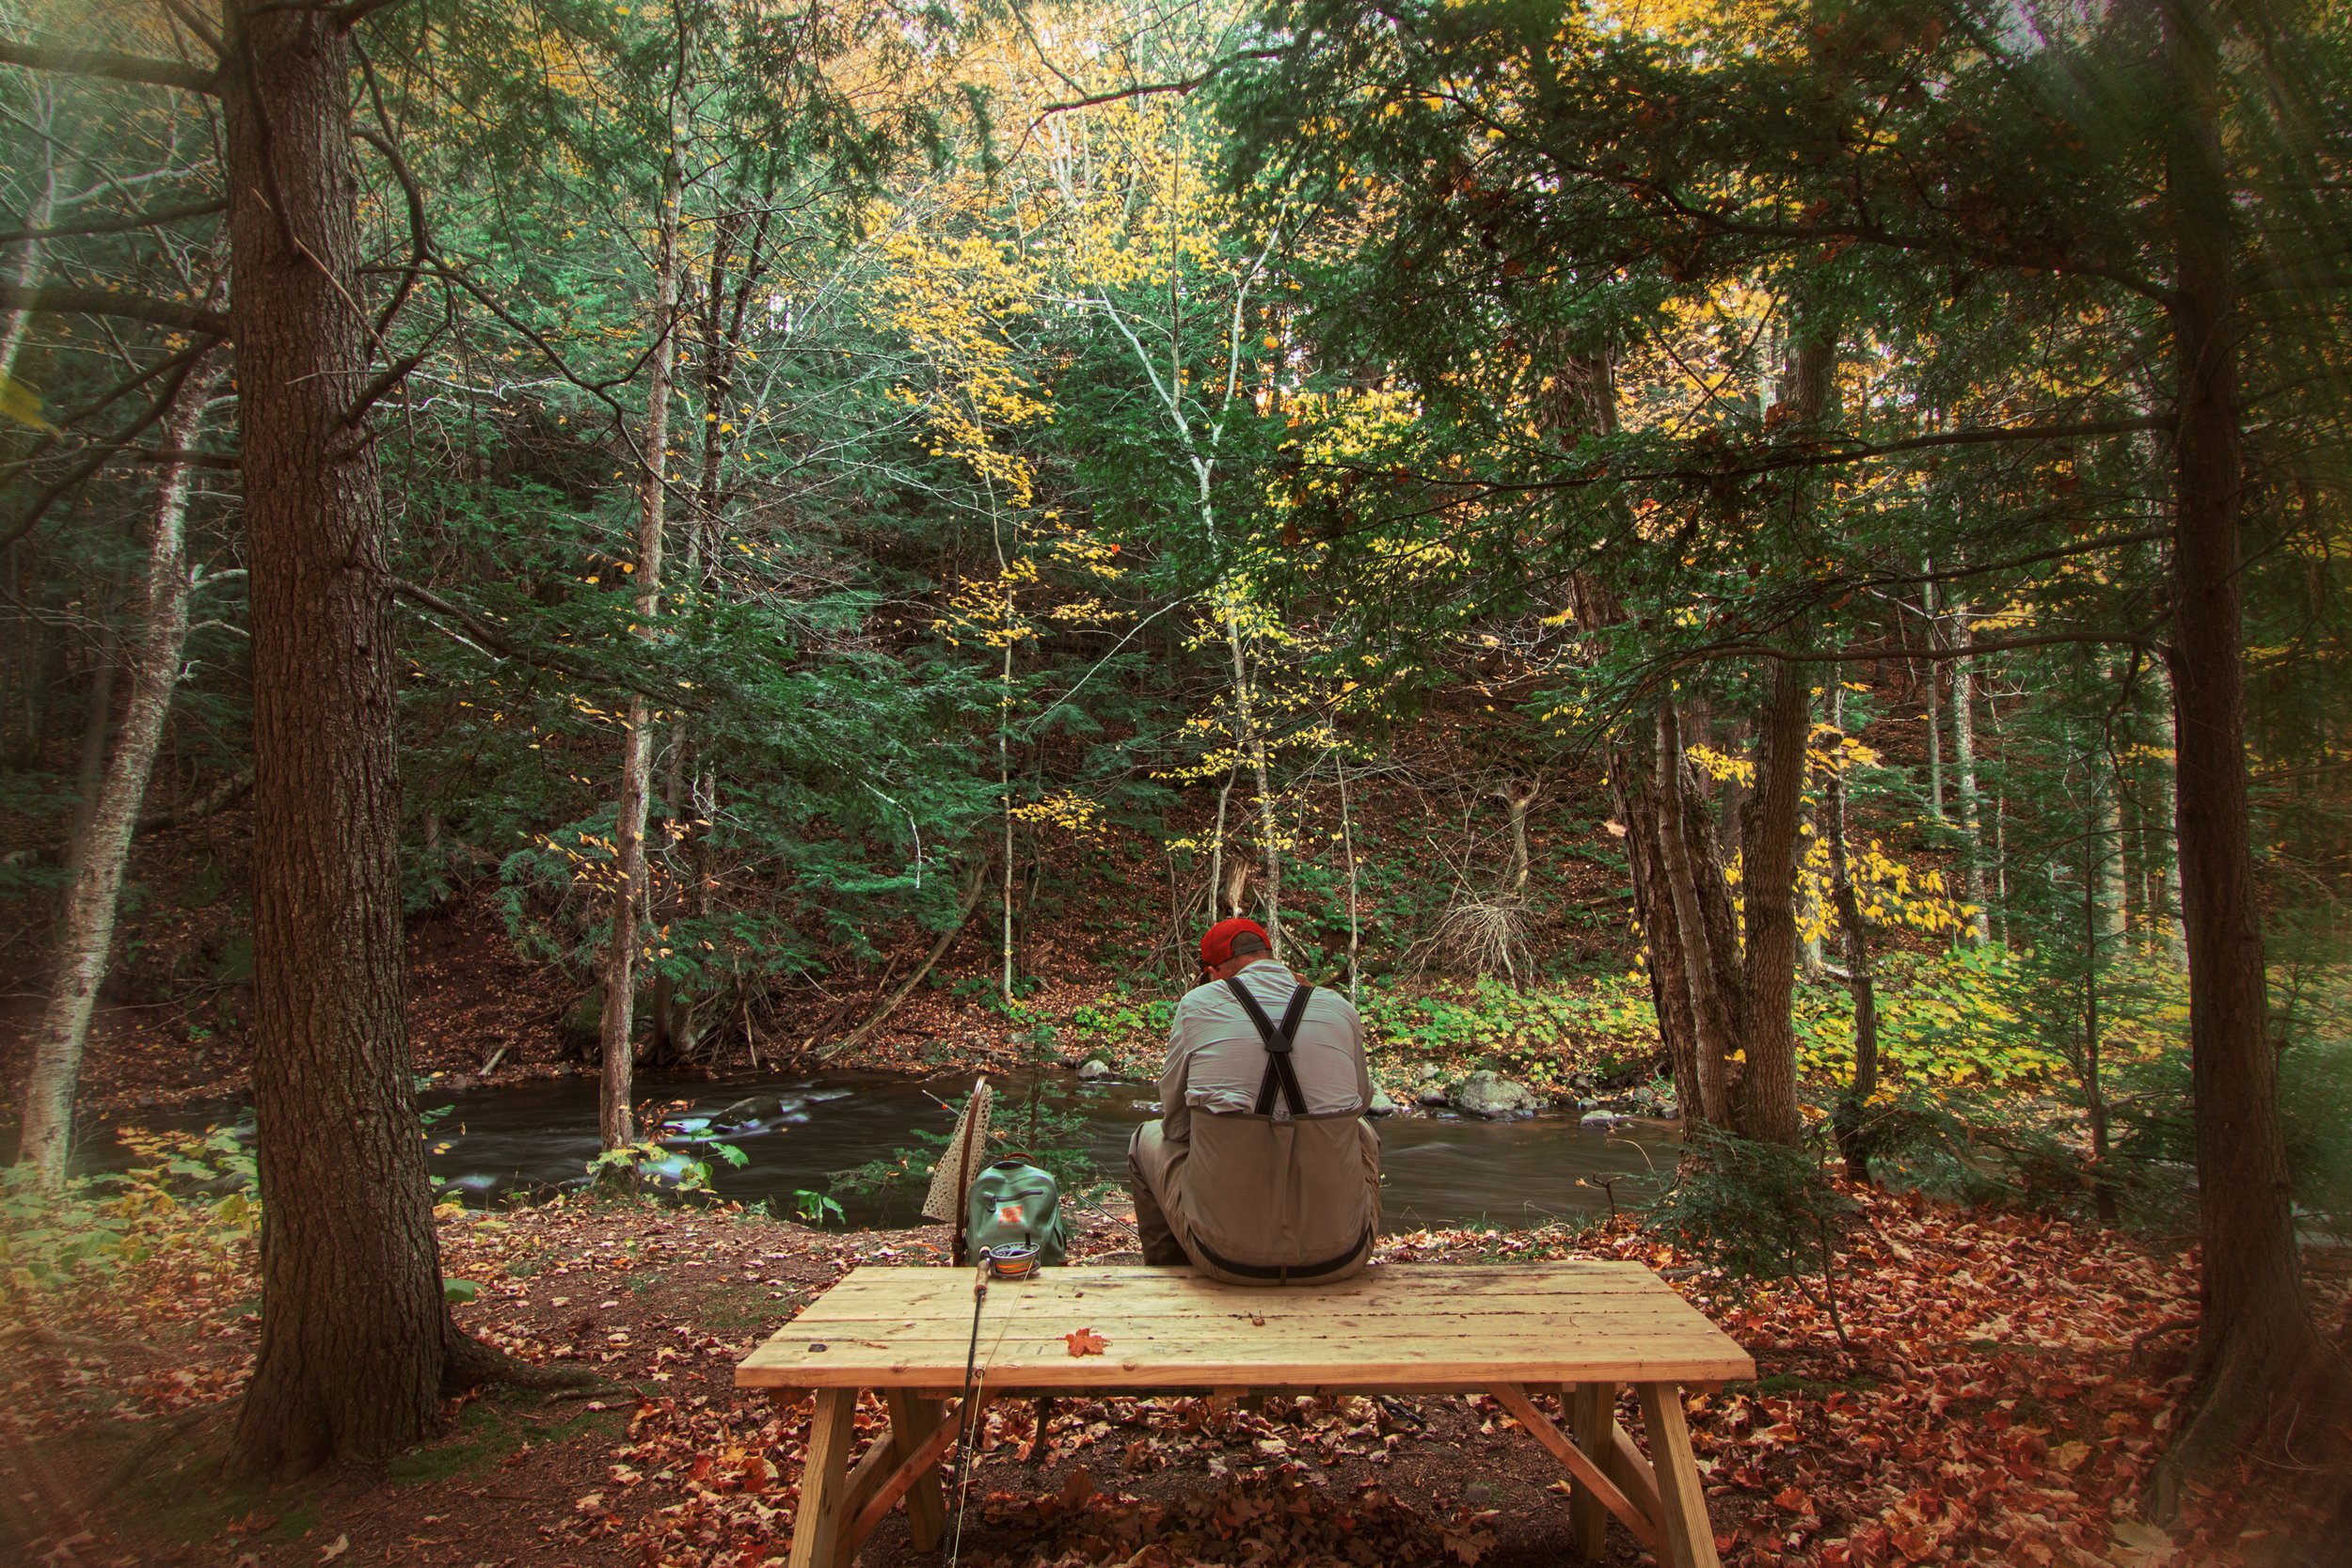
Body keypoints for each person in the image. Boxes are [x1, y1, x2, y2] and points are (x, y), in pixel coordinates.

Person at [1126, 917, 1381, 1285]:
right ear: (1271, 958)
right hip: (1342, 1256)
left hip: (1224, 1258)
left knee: (1145, 1138)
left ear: (1214, 972)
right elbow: (1360, 1103)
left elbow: (1176, 1125)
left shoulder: (1197, 1006)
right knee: (1362, 1132)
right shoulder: (1338, 1008)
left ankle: (1172, 1274)